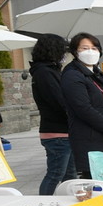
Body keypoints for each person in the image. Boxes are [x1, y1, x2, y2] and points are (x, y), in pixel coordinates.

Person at [61, 32, 103, 179]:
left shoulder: (98, 74)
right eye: (84, 48)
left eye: (94, 48)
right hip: (90, 138)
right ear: (75, 52)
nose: (90, 51)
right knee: (96, 181)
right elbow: (83, 108)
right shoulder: (72, 75)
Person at [28, 33, 76, 195]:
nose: (64, 53)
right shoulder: (45, 73)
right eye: (62, 49)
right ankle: (43, 201)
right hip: (57, 132)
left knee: (70, 176)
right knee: (55, 174)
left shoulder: (47, 71)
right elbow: (59, 102)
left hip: (61, 131)